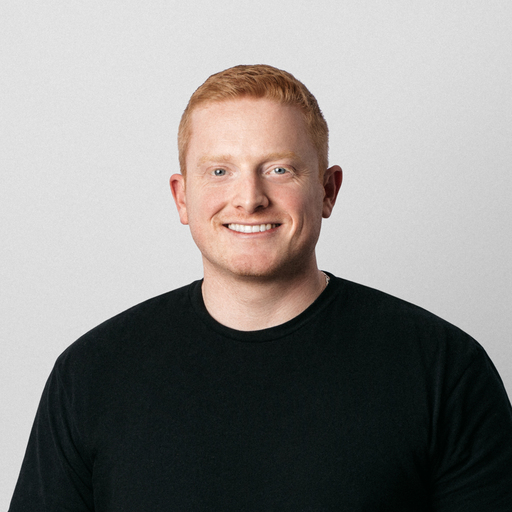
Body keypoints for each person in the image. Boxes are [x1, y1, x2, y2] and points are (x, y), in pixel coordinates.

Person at [9, 64, 512, 511]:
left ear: (328, 190)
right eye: (220, 171)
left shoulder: (444, 369)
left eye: (279, 169)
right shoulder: (91, 373)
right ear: (182, 198)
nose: (249, 199)